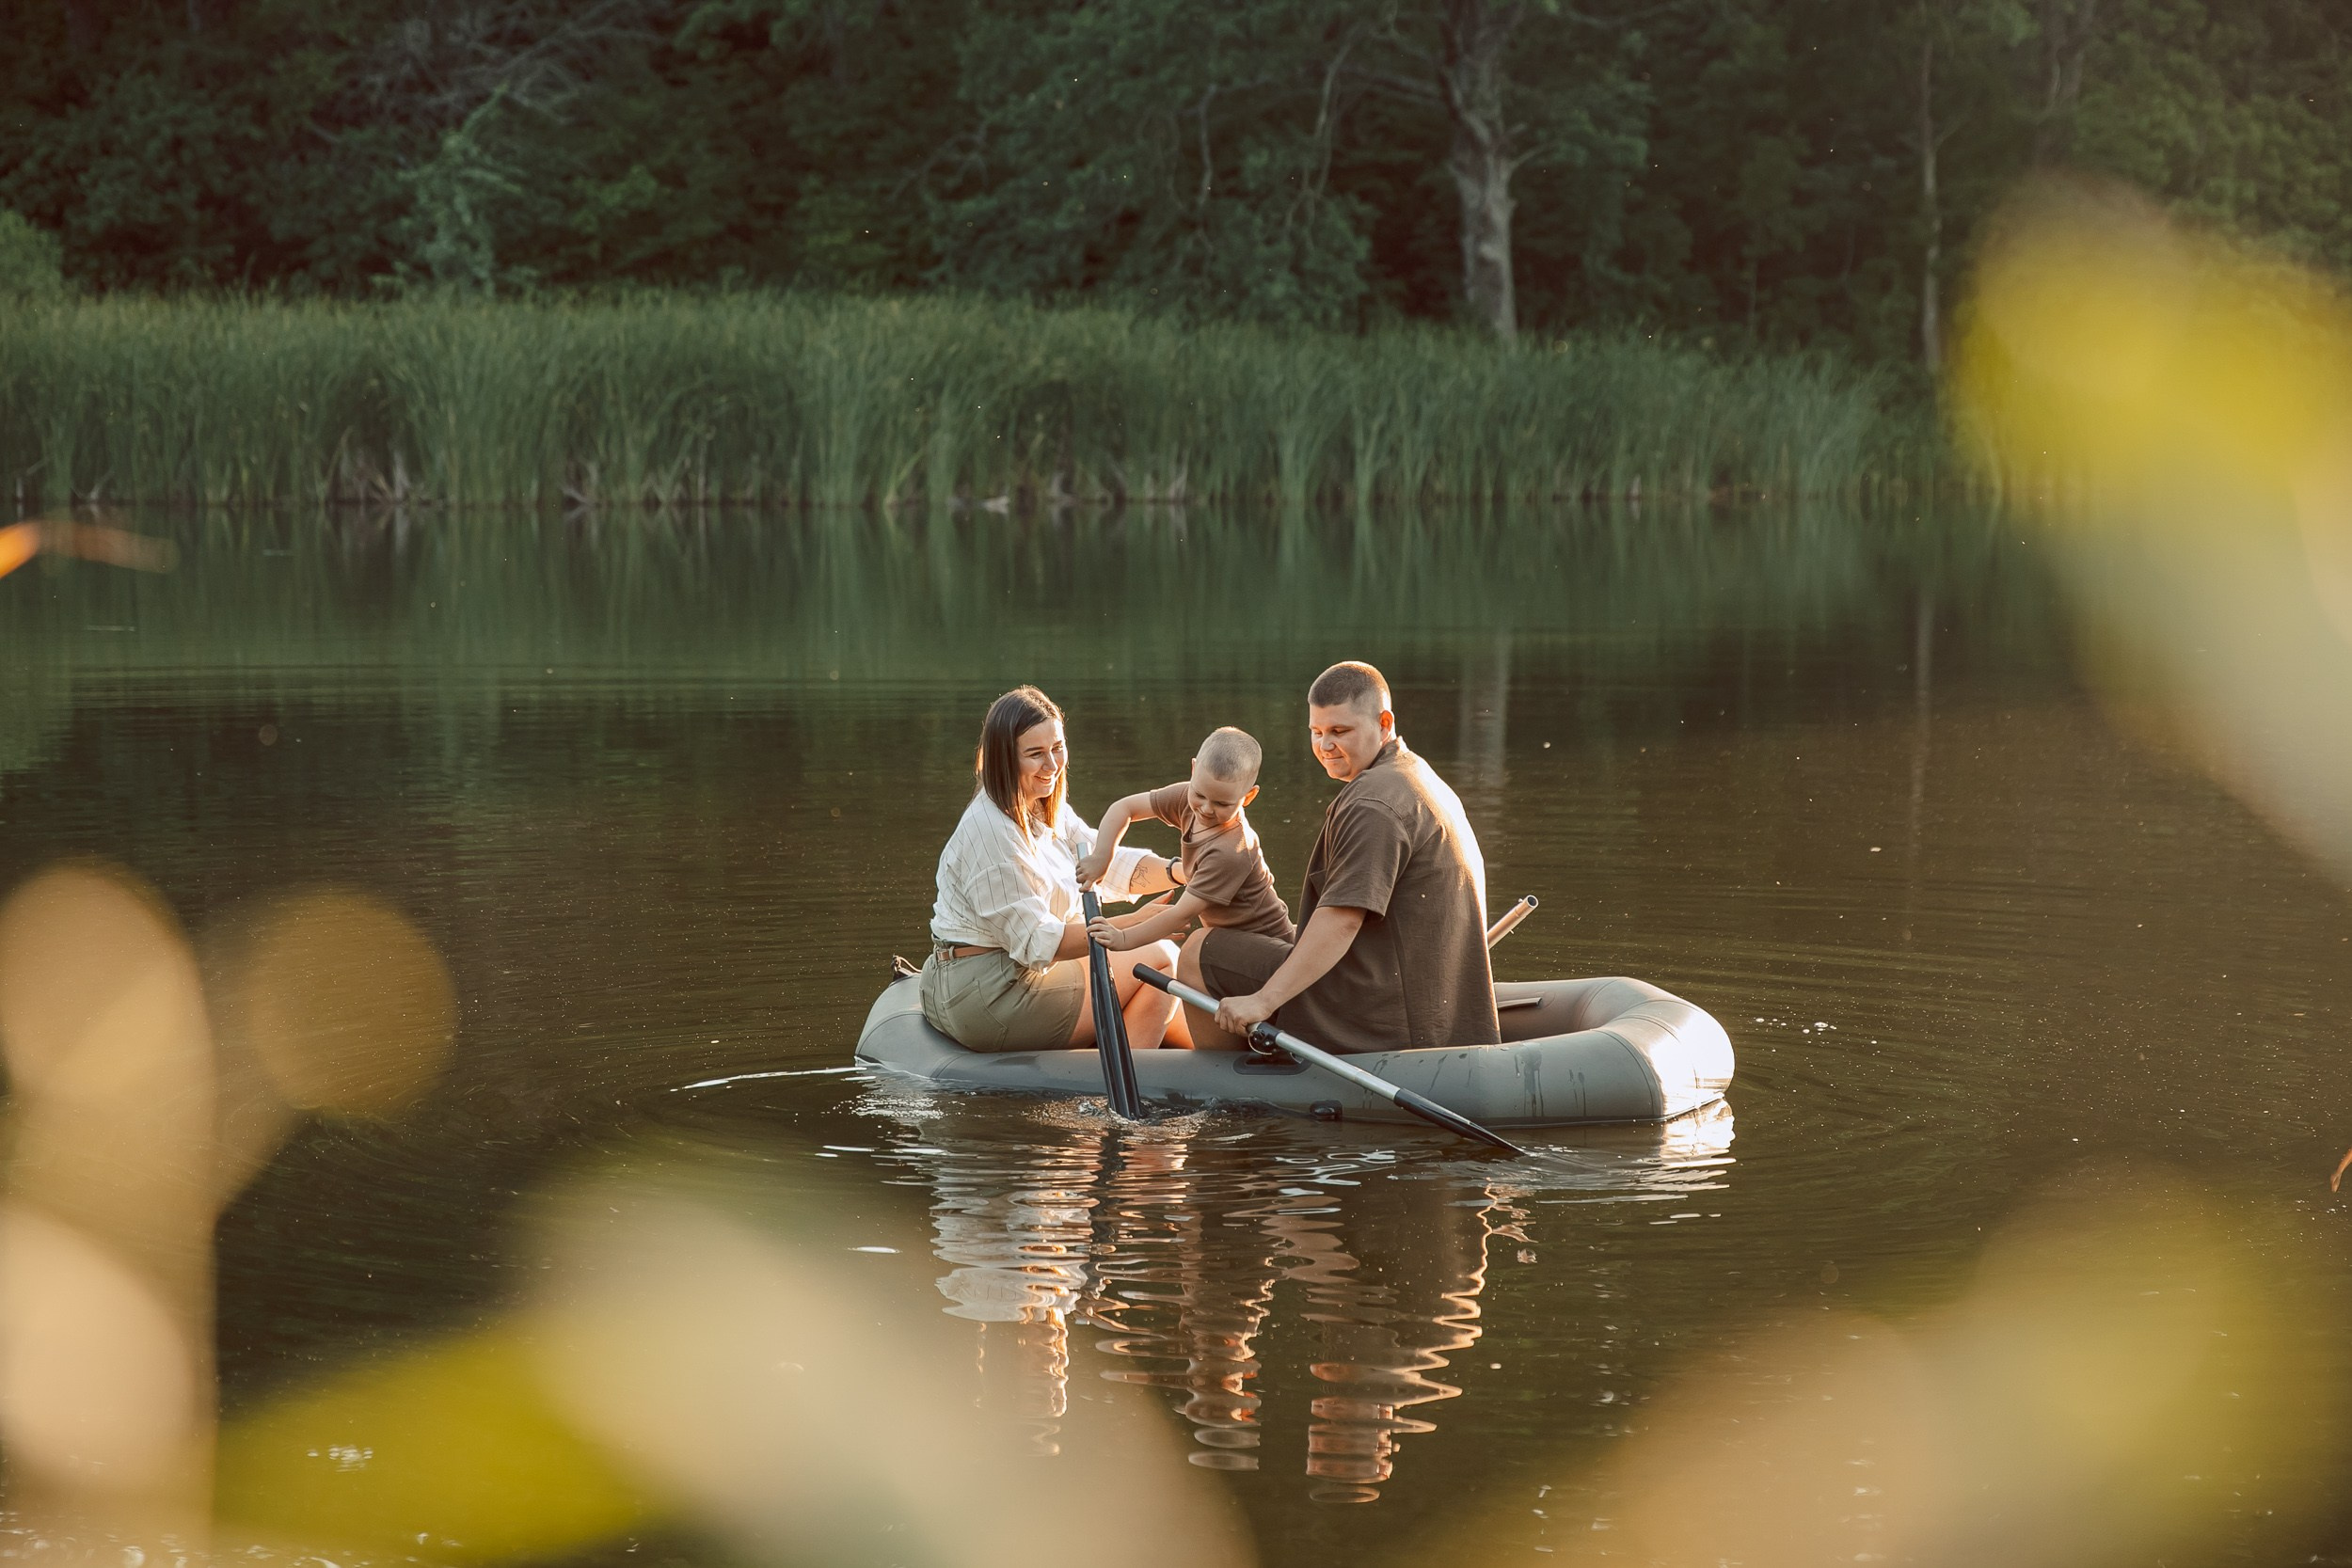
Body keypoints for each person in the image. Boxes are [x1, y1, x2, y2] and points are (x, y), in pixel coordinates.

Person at [1176, 660, 1499, 1053]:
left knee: (1199, 949)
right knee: (1269, 937)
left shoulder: (1372, 804)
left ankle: (1227, 1091)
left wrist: (1263, 1001)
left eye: (1339, 732)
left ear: (1384, 722)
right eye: (1316, 731)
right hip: (1429, 1002)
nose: (1324, 746)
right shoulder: (1417, 775)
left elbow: (1342, 921)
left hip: (1381, 1017)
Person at [921, 686, 1187, 1052]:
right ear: (1004, 759)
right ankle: (1123, 1095)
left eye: (1057, 748)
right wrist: (1138, 924)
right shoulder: (991, 830)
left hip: (1010, 978)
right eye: (1035, 754)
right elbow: (1038, 943)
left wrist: (1180, 871)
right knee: (1160, 959)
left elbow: (1104, 862)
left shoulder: (1043, 805)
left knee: (1178, 1004)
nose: (1052, 765)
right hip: (988, 995)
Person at [1075, 726, 1296, 957]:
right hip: (1232, 939)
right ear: (1193, 770)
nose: (1206, 809)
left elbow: (1181, 913)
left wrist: (1123, 937)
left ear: (1248, 796)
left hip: (1267, 946)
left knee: (1193, 953)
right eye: (1200, 795)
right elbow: (1124, 808)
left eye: (1222, 804)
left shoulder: (1231, 851)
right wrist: (1102, 857)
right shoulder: (1186, 798)